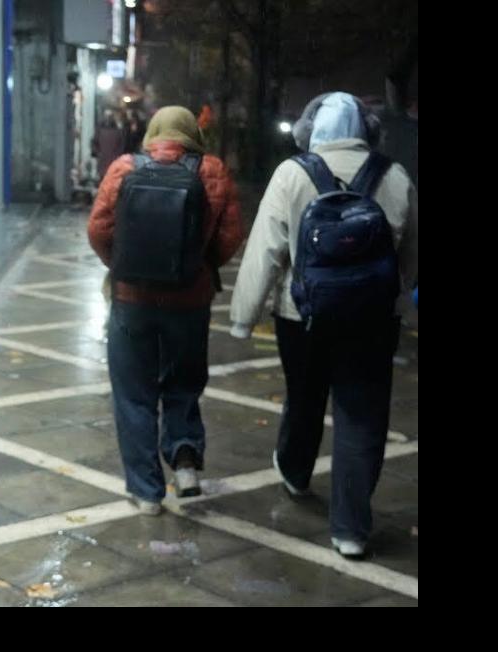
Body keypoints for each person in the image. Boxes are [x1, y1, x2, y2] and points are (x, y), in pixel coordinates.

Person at [229, 92, 418, 559]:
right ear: (366, 131)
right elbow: (410, 258)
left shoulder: (292, 174)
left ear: (312, 132)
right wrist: (396, 302)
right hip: (371, 322)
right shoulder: (394, 178)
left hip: (302, 317)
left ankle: (295, 472)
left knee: (305, 396)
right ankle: (351, 530)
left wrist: (242, 317)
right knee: (362, 417)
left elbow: (265, 251)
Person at [88, 106, 245, 515]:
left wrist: (122, 268)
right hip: (190, 301)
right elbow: (230, 236)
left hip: (132, 301)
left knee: (133, 394)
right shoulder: (212, 170)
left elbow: (98, 230)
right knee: (184, 382)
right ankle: (186, 461)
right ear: (193, 133)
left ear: (153, 132)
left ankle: (146, 492)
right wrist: (200, 269)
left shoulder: (125, 167)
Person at [92, 110, 127, 181]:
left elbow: (94, 143)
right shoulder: (118, 132)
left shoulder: (99, 131)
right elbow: (121, 147)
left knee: (103, 180)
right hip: (112, 161)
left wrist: (98, 153)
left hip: (103, 159)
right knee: (112, 181)